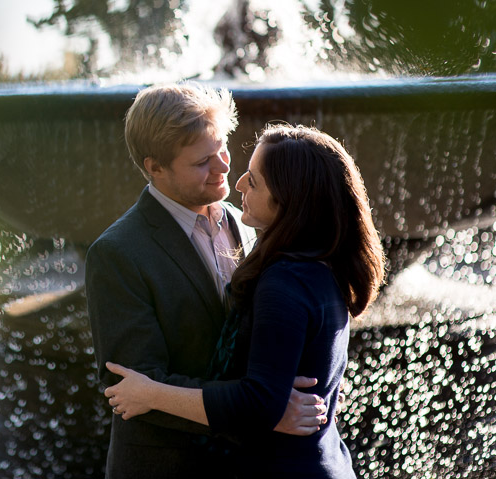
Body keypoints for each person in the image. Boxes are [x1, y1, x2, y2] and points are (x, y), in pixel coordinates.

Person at [103, 123, 386, 478]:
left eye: (252, 181)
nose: (235, 182)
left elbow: (257, 404)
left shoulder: (284, 280)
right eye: (203, 160)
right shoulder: (321, 263)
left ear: (286, 199)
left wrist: (151, 394)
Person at [85, 86, 329, 479]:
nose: (223, 168)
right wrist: (260, 411)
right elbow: (133, 383)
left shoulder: (248, 222)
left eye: (222, 149)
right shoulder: (115, 254)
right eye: (202, 161)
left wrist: (269, 395)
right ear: (156, 167)